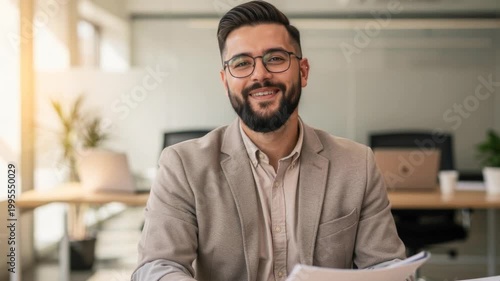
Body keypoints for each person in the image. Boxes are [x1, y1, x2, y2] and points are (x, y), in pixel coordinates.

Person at [132, 1, 406, 280]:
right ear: (225, 81)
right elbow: (157, 266)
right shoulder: (183, 166)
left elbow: (385, 265)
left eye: (275, 58)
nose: (260, 74)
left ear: (303, 71)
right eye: (242, 63)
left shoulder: (356, 164)